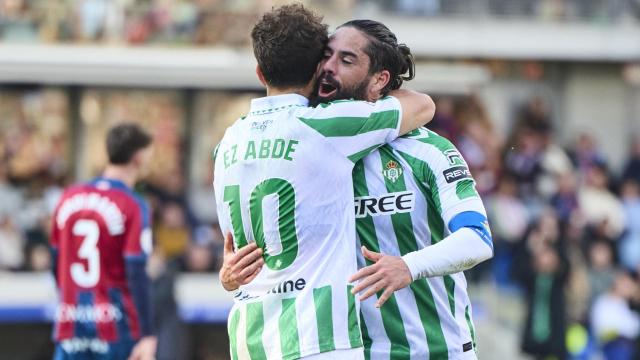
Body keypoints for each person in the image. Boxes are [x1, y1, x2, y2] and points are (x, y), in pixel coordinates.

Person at [221, 18, 493, 360]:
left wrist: (409, 265)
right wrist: (232, 273)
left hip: (434, 350)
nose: (327, 69)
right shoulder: (310, 149)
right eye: (326, 56)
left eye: (346, 61)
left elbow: (477, 239)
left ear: (379, 79)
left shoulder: (428, 150)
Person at [50, 123, 156, 360]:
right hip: (115, 325)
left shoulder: (68, 198)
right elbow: (136, 271)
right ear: (139, 157)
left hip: (70, 321)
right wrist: (147, 333)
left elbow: (55, 262)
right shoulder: (132, 205)